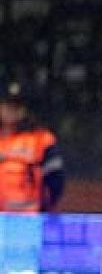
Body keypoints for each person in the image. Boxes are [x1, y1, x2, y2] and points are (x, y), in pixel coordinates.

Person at [0, 81, 63, 213]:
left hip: (29, 217)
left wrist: (45, 210)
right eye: (6, 105)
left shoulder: (41, 139)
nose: (11, 110)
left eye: (17, 106)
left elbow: (55, 180)